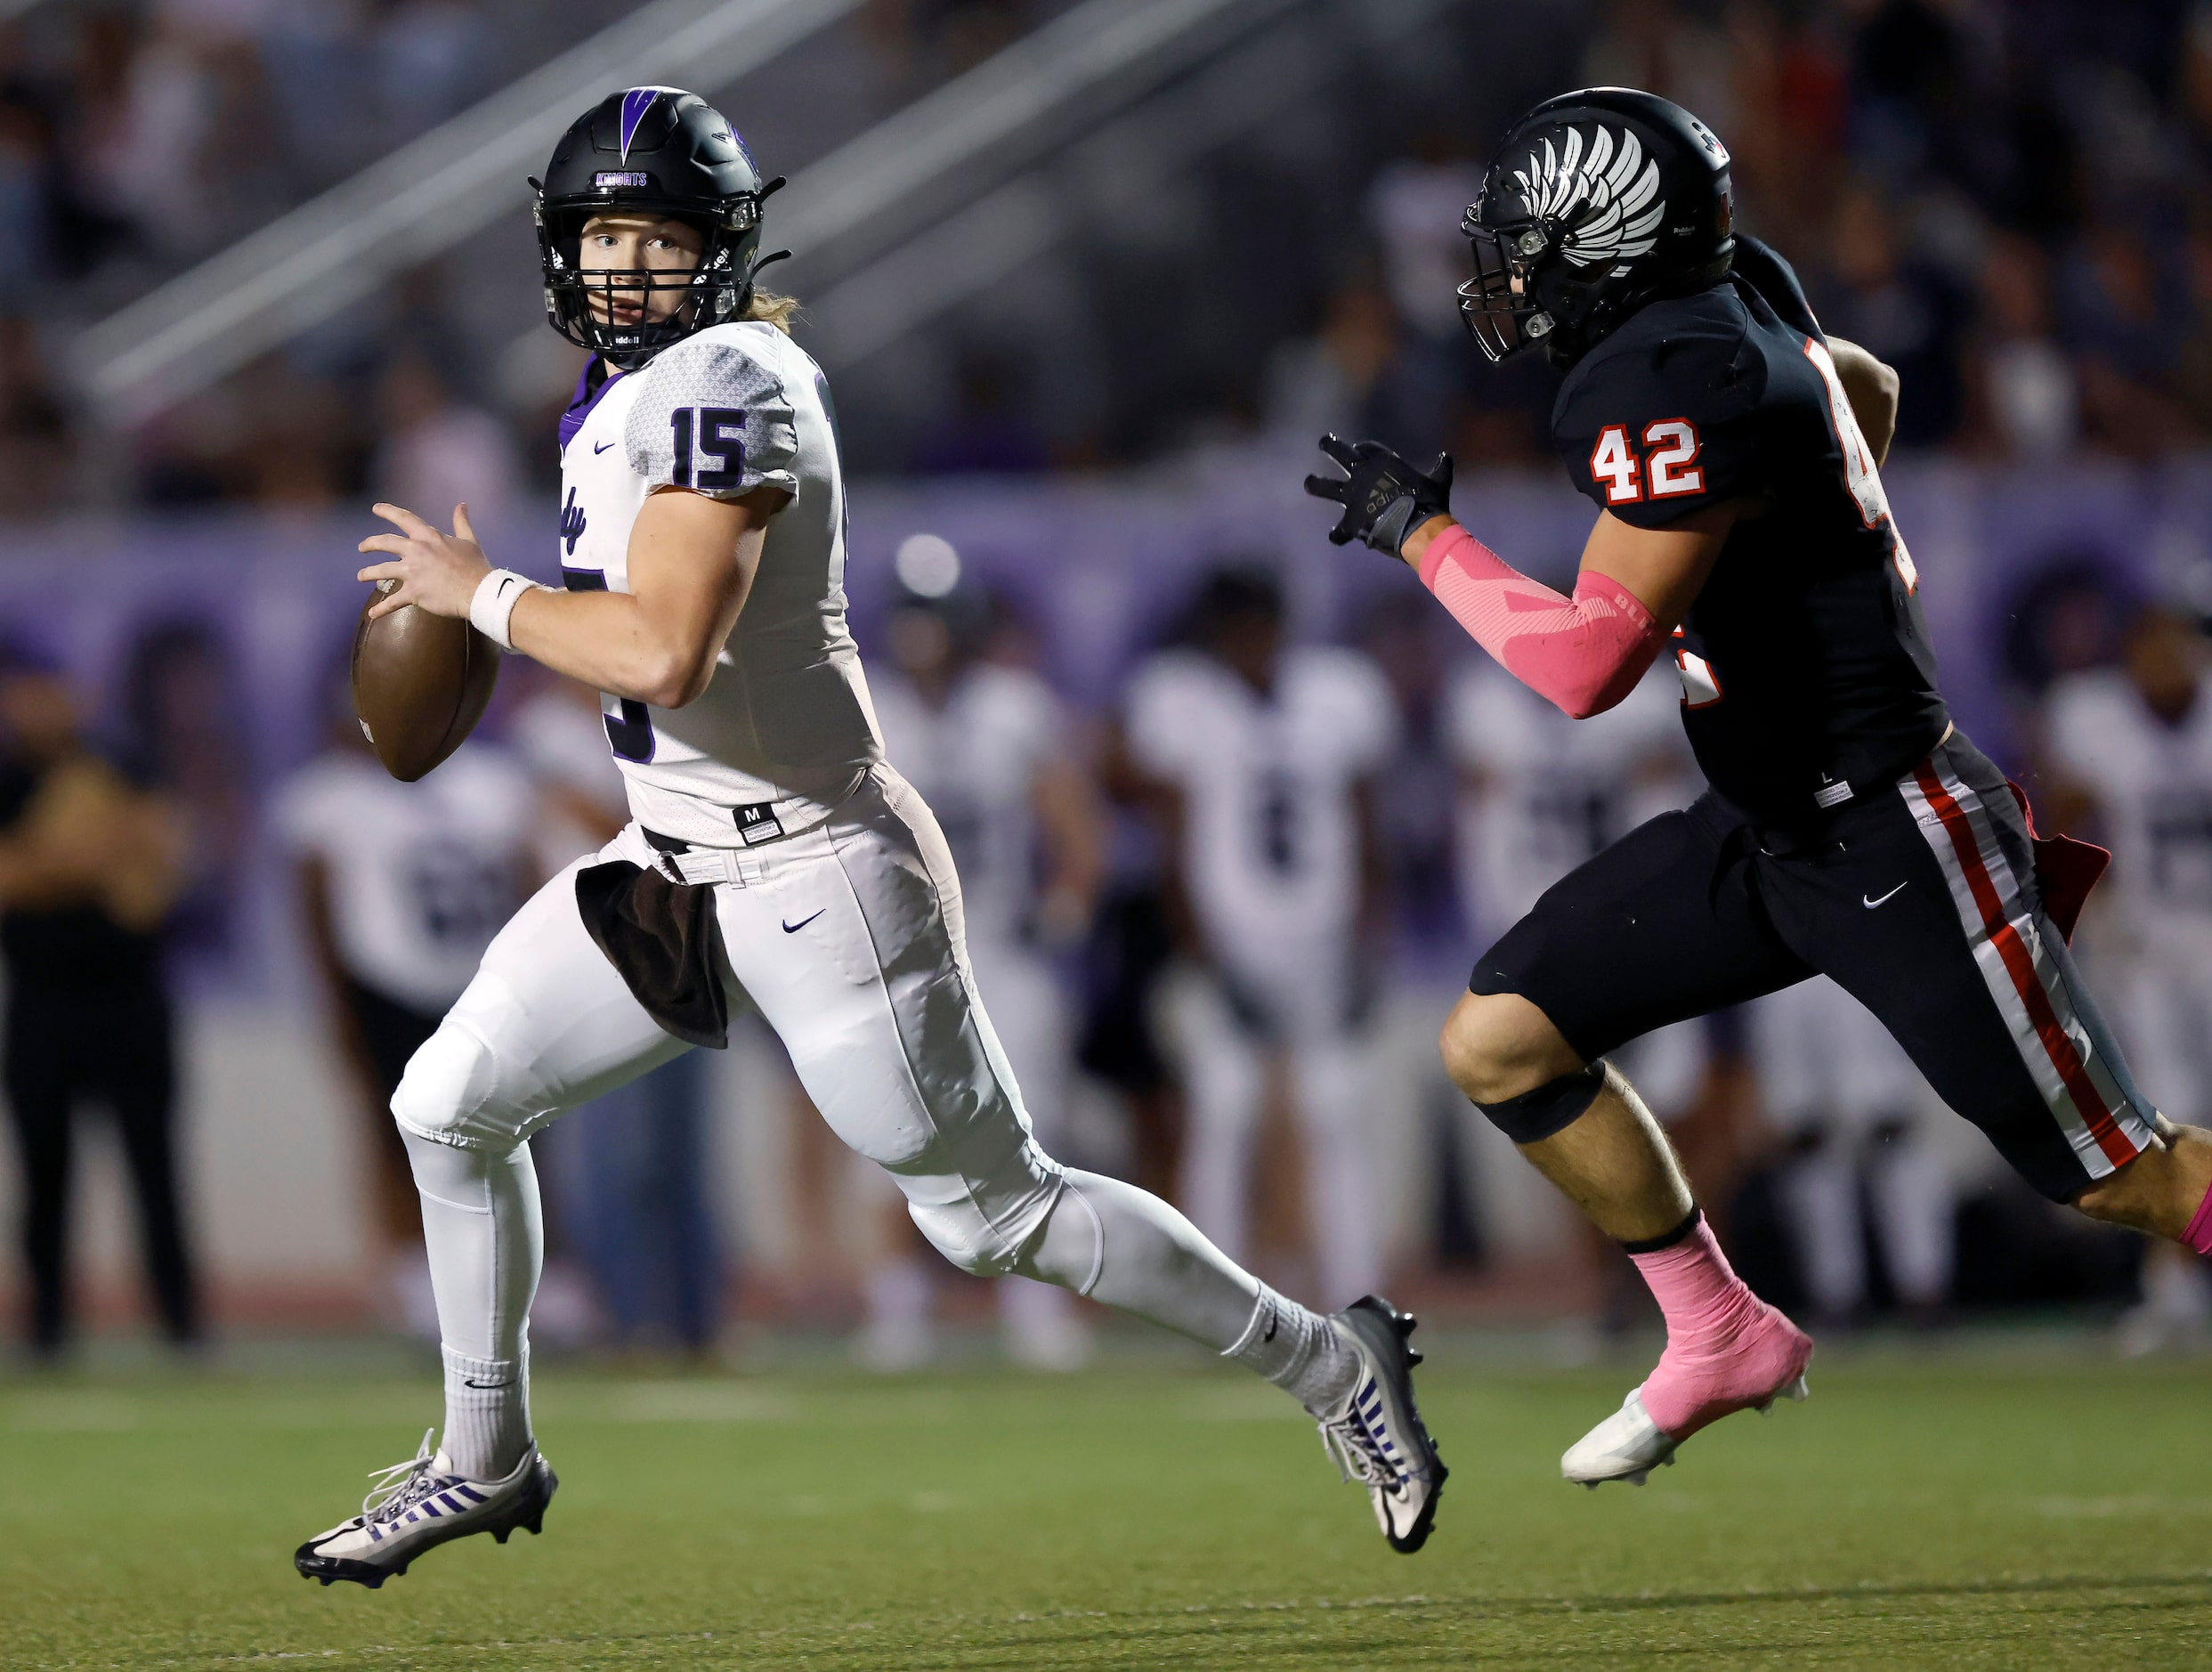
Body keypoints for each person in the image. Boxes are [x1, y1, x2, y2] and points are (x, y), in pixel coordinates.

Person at [294, 86, 1442, 1587]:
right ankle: (482, 1456)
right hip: (671, 857)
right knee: (445, 1105)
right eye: (605, 236)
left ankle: (1331, 1365)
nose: (628, 267)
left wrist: (485, 597)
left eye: (659, 237)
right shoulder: (613, 392)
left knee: (999, 1216)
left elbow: (667, 654)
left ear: (720, 246)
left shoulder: (729, 381)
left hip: (812, 867)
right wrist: (497, 611)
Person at [1307, 87, 2195, 1490]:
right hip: (1771, 820)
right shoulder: (1736, 289)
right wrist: (1796, 566)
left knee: (2122, 1175)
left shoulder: (1670, 370)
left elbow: (1586, 664)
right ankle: (1716, 1329)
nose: (1513, 277)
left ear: (1611, 239)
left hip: (1894, 825)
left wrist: (1423, 535)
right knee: (1500, 1040)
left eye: (1534, 246)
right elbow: (1867, 394)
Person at [1123, 567, 1398, 1305]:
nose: (1249, 647)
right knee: (1226, 1104)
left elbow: (1367, 820)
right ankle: (1217, 1296)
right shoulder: (1185, 699)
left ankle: (1356, 1294)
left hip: (1321, 941)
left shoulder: (1334, 693)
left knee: (1333, 1108)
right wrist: (1201, 955)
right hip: (1230, 941)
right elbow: (1171, 840)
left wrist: (1368, 939)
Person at [860, 572, 1105, 1371]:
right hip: (896, 951)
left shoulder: (1011, 707)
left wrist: (1064, 906)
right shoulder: (867, 707)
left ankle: (1035, 1306)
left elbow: (1073, 823)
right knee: (897, 1130)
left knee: (1027, 1129)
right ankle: (899, 1309)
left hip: (998, 943)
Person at [274, 654, 539, 1335]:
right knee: (395, 1137)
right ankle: (409, 1276)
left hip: (482, 979)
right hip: (384, 984)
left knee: (517, 1131)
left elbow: (529, 887)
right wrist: (336, 1008)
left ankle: (530, 1274)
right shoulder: (329, 798)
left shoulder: (492, 784)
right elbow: (315, 910)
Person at [0, 641, 197, 1356]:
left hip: (131, 1001)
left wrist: (47, 860)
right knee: (44, 1176)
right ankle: (47, 1329)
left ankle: (181, 1324)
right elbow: (13, 881)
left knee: (156, 1169)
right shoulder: (11, 778)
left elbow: (155, 881)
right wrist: (87, 856)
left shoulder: (126, 763)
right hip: (41, 1004)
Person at [2041, 604, 2212, 1352]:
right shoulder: (2092, 717)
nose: (2162, 667)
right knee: (2166, 1112)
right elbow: (2063, 810)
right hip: (2150, 947)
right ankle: (2172, 1289)